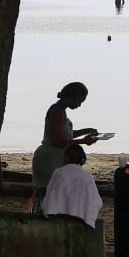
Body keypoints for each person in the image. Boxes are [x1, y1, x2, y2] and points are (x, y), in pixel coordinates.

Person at [31, 82, 98, 212]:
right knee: (49, 195)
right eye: (79, 102)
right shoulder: (57, 112)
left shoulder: (60, 110)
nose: (79, 105)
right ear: (72, 98)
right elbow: (57, 141)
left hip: (54, 158)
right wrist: (83, 141)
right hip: (48, 159)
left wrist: (85, 131)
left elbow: (65, 134)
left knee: (53, 195)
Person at [41, 144, 103, 228]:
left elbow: (50, 197)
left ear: (66, 157)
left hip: (59, 219)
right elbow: (97, 201)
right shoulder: (87, 175)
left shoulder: (59, 173)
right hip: (82, 221)